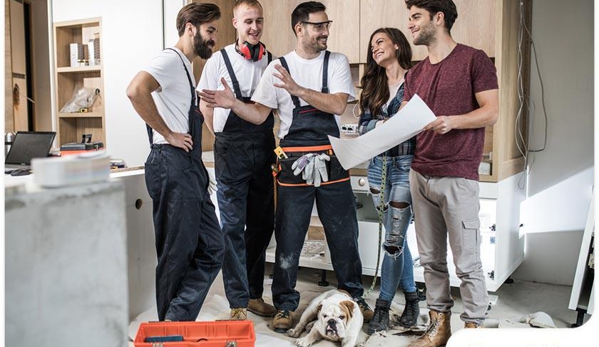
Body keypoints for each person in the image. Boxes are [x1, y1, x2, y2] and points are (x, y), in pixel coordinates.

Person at [200, 0, 373, 333]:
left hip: (332, 157)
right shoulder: (276, 67)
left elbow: (338, 104)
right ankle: (284, 304)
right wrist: (233, 103)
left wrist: (297, 89)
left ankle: (354, 294)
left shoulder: (335, 62)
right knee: (288, 236)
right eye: (319, 26)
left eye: (327, 25)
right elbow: (260, 115)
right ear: (300, 28)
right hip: (292, 161)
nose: (325, 31)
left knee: (343, 233)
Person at [401, 0, 499, 346]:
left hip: (457, 174)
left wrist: (452, 122)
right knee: (430, 261)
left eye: (416, 17)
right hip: (420, 174)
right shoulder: (415, 73)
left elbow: (491, 112)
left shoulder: (475, 60)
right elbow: (406, 120)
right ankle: (438, 327)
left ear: (438, 18)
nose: (410, 24)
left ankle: (473, 331)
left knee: (467, 262)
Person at [126, 3, 224, 322]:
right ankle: (168, 334)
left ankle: (175, 319)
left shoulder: (186, 67)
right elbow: (135, 90)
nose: (213, 38)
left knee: (213, 247)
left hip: (189, 167)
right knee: (176, 253)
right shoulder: (169, 59)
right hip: (171, 163)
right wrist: (168, 133)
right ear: (191, 28)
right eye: (210, 31)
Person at [197, 0, 276, 321]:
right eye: (248, 21)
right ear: (235, 23)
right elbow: (205, 105)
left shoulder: (272, 62)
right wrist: (219, 137)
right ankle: (237, 301)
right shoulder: (218, 61)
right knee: (231, 226)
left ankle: (254, 294)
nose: (254, 27)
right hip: (230, 151)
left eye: (258, 21)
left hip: (264, 148)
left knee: (263, 224)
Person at [357, 27, 420, 335]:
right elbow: (361, 127)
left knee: (393, 241)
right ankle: (412, 299)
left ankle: (382, 306)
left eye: (379, 42)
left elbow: (418, 123)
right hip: (377, 167)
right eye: (372, 47)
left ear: (397, 43)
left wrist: (385, 126)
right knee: (396, 240)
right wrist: (385, 124)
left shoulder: (417, 79)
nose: (375, 49)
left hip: (407, 166)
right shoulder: (373, 84)